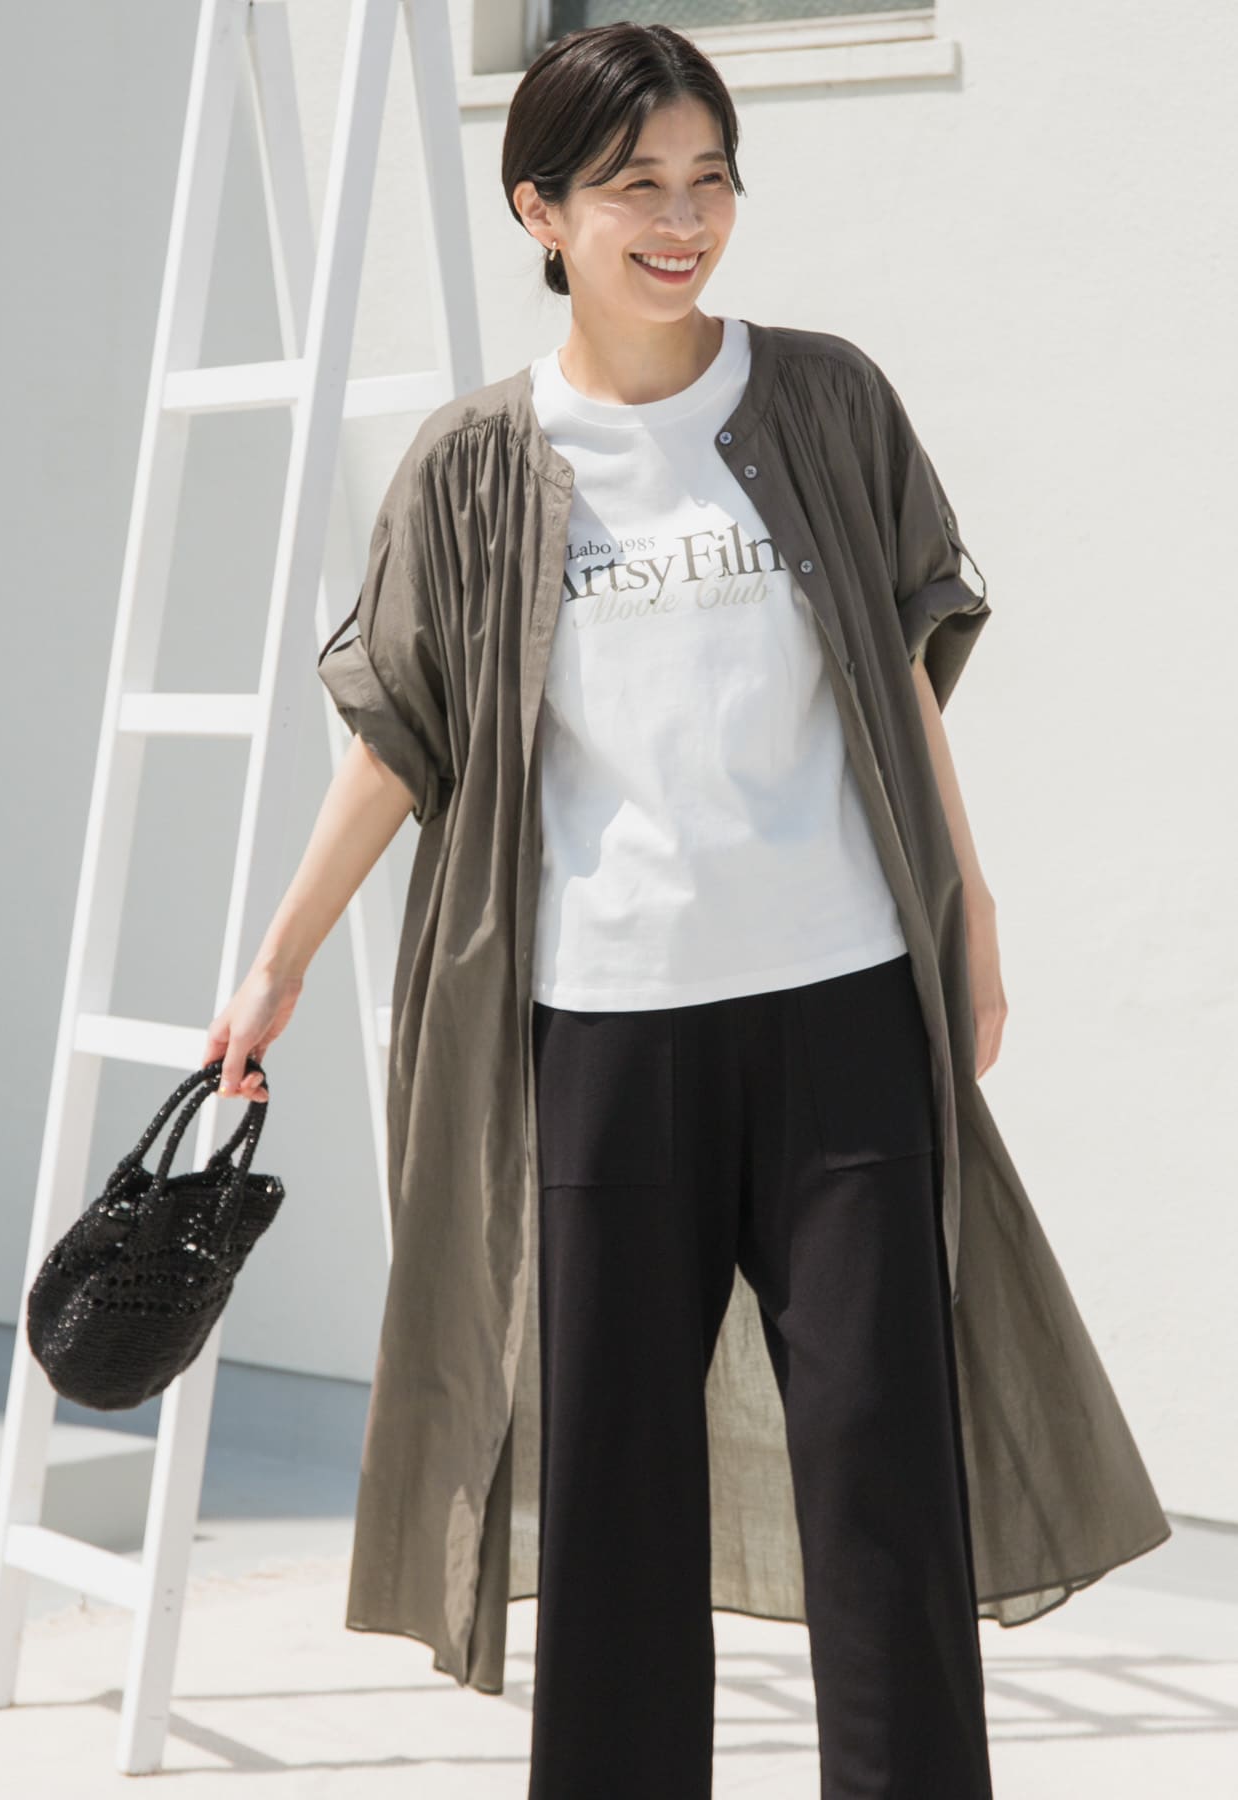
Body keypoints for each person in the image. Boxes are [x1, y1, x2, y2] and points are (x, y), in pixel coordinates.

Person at [202, 22, 1169, 1800]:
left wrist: (972, 912)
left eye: (710, 178)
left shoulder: (823, 401)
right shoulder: (478, 464)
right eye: (635, 185)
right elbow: (400, 738)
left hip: (840, 1011)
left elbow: (900, 673)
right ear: (540, 211)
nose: (682, 219)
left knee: (887, 1485)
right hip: (603, 1035)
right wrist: (276, 962)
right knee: (613, 1501)